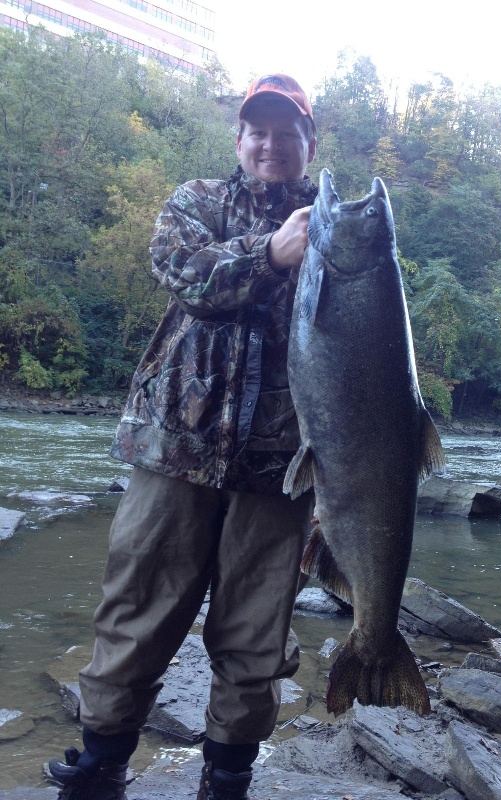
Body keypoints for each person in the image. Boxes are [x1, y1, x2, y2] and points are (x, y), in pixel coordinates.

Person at [48, 73, 318, 800]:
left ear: (308, 145)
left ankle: (226, 779)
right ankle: (101, 762)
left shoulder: (338, 224)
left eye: (286, 132)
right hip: (175, 447)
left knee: (255, 636)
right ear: (239, 141)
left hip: (281, 468)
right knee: (137, 611)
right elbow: (185, 275)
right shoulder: (196, 201)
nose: (270, 144)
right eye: (257, 131)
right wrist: (270, 256)